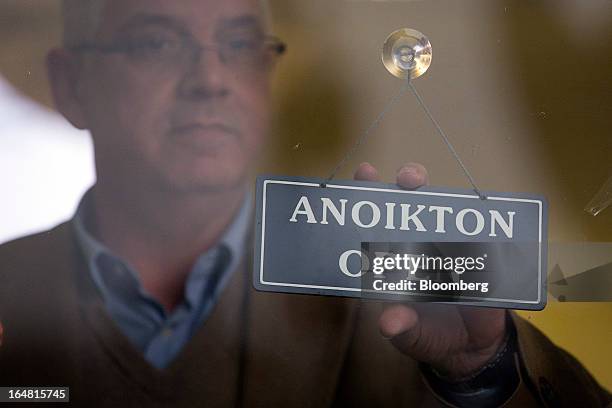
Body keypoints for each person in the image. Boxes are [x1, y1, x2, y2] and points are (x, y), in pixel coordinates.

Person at [0, 0, 609, 406]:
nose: (211, 78)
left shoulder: (393, 300)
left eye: (241, 47)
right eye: (156, 44)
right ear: (70, 85)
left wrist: (484, 372)